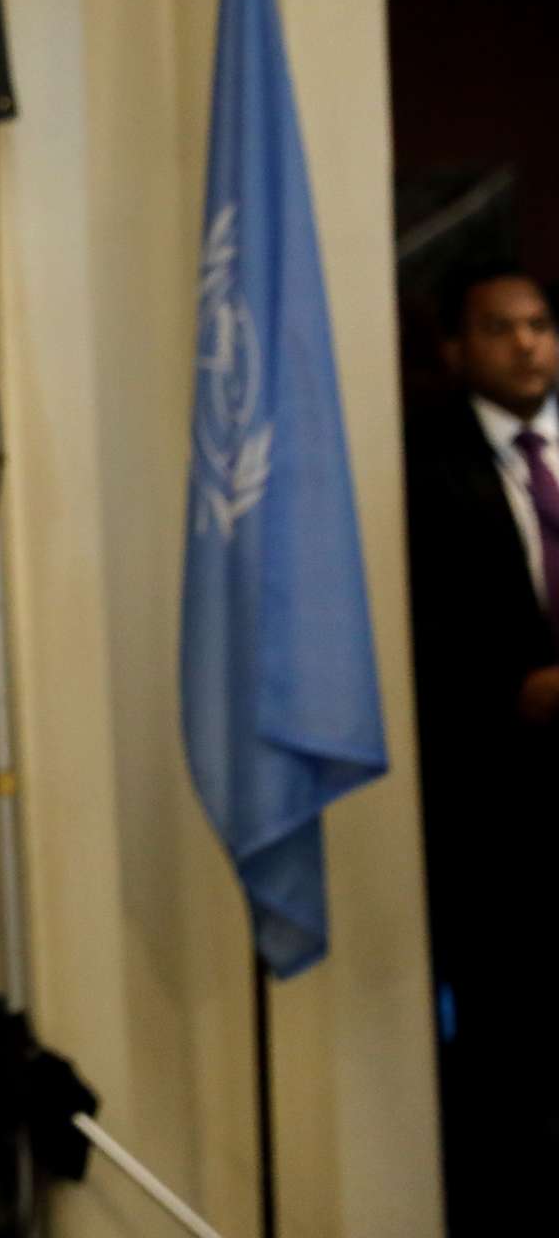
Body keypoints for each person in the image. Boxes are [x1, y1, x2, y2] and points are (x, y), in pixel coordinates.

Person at [404, 261, 559, 1227]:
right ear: (458, 350)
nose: (528, 344)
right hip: (498, 804)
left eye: (541, 324)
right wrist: (518, 692)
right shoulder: (424, 461)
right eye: (501, 329)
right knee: (508, 1047)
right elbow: (422, 629)